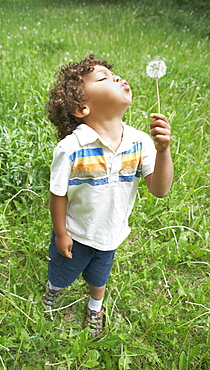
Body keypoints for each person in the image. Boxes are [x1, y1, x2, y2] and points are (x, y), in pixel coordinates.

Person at [43, 54, 173, 339]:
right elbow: (58, 195)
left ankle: (95, 306)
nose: (115, 77)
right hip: (75, 233)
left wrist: (163, 151)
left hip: (110, 234)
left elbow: (160, 190)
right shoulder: (71, 148)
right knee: (61, 273)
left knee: (99, 278)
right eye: (102, 78)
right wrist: (60, 233)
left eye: (113, 74)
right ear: (82, 108)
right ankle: (52, 291)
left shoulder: (140, 142)